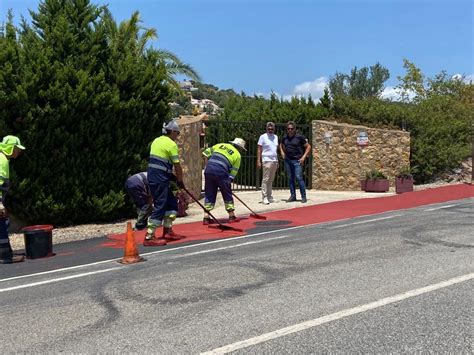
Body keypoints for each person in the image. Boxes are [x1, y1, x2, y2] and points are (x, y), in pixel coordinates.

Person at [144, 120, 186, 246]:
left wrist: (171, 176)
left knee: (171, 203)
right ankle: (149, 236)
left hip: (156, 176)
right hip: (160, 178)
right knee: (160, 205)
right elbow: (177, 166)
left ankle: (167, 231)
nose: (177, 136)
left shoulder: (156, 141)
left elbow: (160, 162)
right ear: (172, 131)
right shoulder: (171, 144)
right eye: (177, 133)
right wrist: (180, 181)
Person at [201, 138, 246, 224]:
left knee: (209, 192)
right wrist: (228, 182)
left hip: (209, 170)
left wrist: (208, 166)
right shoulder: (237, 155)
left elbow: (205, 153)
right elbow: (234, 171)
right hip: (221, 171)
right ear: (240, 148)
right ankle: (231, 215)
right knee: (227, 193)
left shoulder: (220, 145)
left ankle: (206, 217)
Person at [0, 135, 26, 264]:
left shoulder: (3, 158)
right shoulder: (2, 160)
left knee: (4, 223)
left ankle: (6, 253)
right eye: (17, 148)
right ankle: (5, 256)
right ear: (10, 148)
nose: (19, 151)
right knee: (2, 225)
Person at [279, 121, 311, 203]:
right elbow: (281, 145)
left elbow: (308, 147)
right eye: (288, 129)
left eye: (291, 129)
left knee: (299, 178)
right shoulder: (285, 137)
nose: (290, 130)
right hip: (288, 160)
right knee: (290, 178)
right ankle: (293, 196)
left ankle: (303, 196)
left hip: (297, 161)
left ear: (295, 129)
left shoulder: (299, 137)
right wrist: (282, 152)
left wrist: (303, 157)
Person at [257, 121, 279, 204]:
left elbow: (275, 150)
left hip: (274, 160)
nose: (270, 130)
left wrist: (277, 160)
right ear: (266, 129)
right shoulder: (263, 137)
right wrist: (258, 161)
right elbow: (259, 149)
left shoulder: (275, 137)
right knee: (265, 179)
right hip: (266, 160)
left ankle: (270, 196)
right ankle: (264, 197)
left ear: (274, 129)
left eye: (272, 129)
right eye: (269, 129)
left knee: (271, 179)